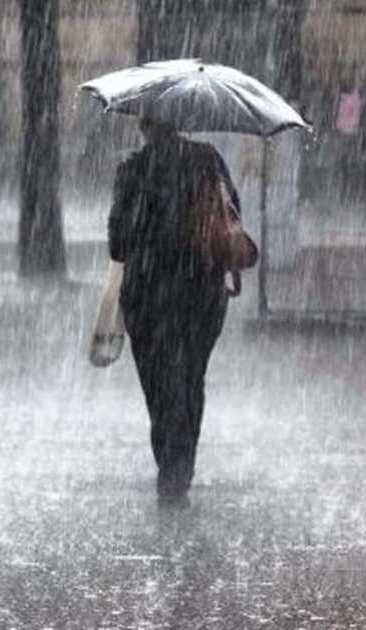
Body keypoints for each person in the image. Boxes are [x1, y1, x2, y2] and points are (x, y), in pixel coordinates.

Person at [107, 118, 241, 505]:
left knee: (159, 387)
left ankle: (170, 461)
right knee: (191, 379)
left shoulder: (132, 171)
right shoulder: (208, 160)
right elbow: (233, 216)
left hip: (148, 296)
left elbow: (117, 246)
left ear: (143, 126)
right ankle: (180, 467)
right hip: (202, 291)